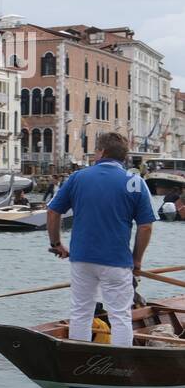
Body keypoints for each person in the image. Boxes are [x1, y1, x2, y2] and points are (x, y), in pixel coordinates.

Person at [47, 132, 155, 348]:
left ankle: (79, 358)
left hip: (82, 259)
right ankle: (121, 362)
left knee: (81, 312)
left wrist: (56, 244)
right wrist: (137, 261)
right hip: (117, 261)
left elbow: (52, 212)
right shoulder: (136, 182)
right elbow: (145, 226)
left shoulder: (78, 177)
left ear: (102, 152)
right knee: (120, 315)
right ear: (123, 157)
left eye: (96, 150)